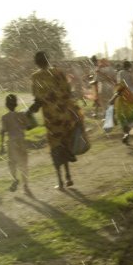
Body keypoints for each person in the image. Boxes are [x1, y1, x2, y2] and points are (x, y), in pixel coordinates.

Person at [28, 51, 82, 190]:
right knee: (64, 142)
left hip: (51, 119)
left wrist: (31, 110)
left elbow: (38, 99)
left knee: (55, 147)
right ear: (48, 59)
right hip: (64, 115)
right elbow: (68, 91)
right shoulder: (58, 72)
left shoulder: (36, 76)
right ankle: (69, 177)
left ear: (36, 62)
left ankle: (60, 181)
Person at [0, 94, 31, 194]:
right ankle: (25, 185)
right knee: (24, 162)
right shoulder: (21, 115)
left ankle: (15, 178)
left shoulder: (5, 117)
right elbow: (28, 127)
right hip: (21, 141)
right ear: (16, 104)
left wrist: (1, 146)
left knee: (12, 163)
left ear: (6, 105)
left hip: (12, 143)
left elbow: (3, 131)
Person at [108, 61, 133, 145]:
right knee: (131, 118)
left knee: (122, 117)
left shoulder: (121, 73)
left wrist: (114, 97)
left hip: (124, 98)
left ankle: (126, 134)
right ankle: (126, 134)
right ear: (130, 67)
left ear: (123, 66)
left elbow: (121, 86)